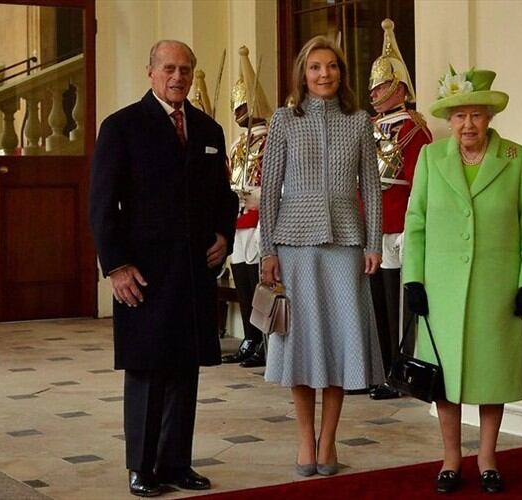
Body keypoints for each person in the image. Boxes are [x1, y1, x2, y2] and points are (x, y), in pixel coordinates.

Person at [89, 40, 238, 497]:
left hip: (193, 270)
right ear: (150, 71)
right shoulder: (121, 127)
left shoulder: (210, 130)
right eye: (169, 68)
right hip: (143, 273)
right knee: (148, 369)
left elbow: (224, 197)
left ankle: (176, 464)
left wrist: (224, 236)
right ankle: (142, 467)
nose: (178, 77)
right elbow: (101, 205)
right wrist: (116, 266)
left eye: (186, 70)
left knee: (185, 368)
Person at [403, 67, 522, 494]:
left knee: (491, 374)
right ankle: (451, 458)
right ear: (450, 120)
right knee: (445, 380)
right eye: (460, 116)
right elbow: (416, 222)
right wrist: (413, 279)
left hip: (496, 287)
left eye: (477, 116)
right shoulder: (432, 157)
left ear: (489, 118)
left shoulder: (515, 158)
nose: (468, 125)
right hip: (441, 289)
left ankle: (487, 457)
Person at [258, 35, 384, 478]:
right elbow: (269, 190)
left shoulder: (358, 121)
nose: (324, 74)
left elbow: (370, 186)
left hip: (346, 245)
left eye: (331, 66)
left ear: (341, 73)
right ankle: (303, 441)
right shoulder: (283, 121)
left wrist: (374, 244)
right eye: (315, 67)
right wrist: (267, 250)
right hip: (294, 246)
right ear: (302, 74)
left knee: (340, 343)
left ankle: (328, 440)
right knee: (300, 346)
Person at [367, 19, 433, 401]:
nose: (374, 92)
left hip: (403, 222)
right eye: (374, 86)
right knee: (380, 299)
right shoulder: (371, 126)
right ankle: (386, 364)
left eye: (380, 85)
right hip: (376, 224)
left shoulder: (414, 129)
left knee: (403, 303)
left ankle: (403, 366)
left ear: (399, 87)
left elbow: (416, 183)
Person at [220, 46, 273, 368]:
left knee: (257, 281)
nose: (241, 112)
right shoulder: (239, 142)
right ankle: (251, 337)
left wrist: (256, 195)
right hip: (239, 216)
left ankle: (265, 338)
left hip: (259, 216)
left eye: (244, 105)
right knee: (241, 277)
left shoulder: (270, 137)